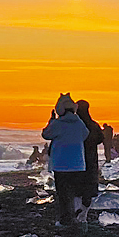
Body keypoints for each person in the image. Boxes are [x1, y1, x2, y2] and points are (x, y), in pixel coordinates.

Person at [41, 93, 89, 227]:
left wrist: (51, 121)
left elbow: (46, 134)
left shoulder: (58, 123)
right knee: (73, 192)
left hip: (61, 164)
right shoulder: (78, 122)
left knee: (63, 193)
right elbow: (85, 134)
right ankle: (74, 215)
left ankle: (66, 219)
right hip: (77, 164)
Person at [75, 99, 104, 222]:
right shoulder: (94, 125)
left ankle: (77, 212)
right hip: (91, 159)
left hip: (76, 159)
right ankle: (83, 214)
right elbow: (100, 139)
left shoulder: (75, 125)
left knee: (76, 188)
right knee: (88, 188)